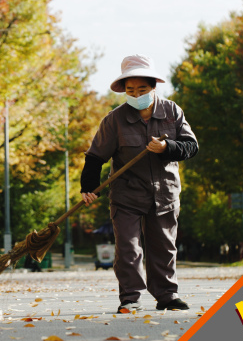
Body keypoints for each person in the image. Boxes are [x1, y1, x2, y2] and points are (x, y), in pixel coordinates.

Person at [80, 54, 198, 313]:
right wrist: (88, 188)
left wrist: (168, 146)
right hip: (127, 196)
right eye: (130, 90)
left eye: (141, 89)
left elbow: (191, 146)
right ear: (124, 90)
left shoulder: (172, 111)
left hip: (165, 194)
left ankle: (167, 296)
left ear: (153, 88)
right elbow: (95, 156)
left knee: (164, 247)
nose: (136, 95)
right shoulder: (115, 119)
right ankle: (130, 298)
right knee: (129, 249)